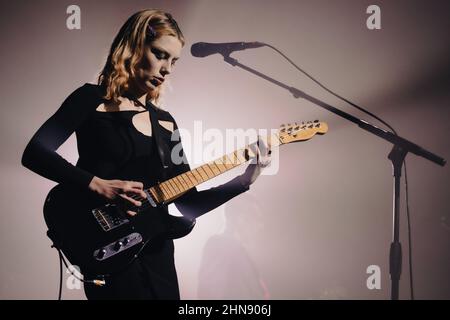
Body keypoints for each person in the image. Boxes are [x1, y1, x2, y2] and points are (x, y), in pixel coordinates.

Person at [21, 9, 269, 300]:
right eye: (160, 55)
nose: (167, 69)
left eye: (174, 61)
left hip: (158, 259)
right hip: (107, 256)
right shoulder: (89, 99)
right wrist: (100, 185)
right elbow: (35, 152)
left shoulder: (166, 123)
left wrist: (244, 180)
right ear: (134, 46)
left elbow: (188, 203)